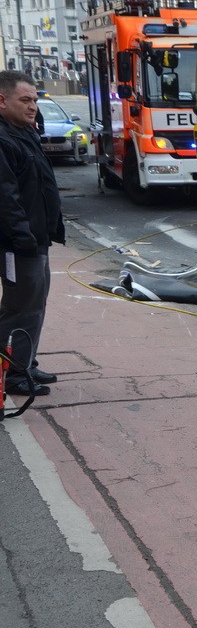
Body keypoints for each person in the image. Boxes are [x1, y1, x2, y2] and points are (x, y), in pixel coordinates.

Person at [0, 70, 65, 396]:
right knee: (18, 309)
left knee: (35, 306)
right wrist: (23, 239)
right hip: (18, 245)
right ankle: (11, 376)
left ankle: (25, 365)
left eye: (35, 100)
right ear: (2, 101)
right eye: (25, 100)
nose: (33, 107)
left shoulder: (24, 133)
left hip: (36, 240)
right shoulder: (4, 140)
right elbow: (6, 198)